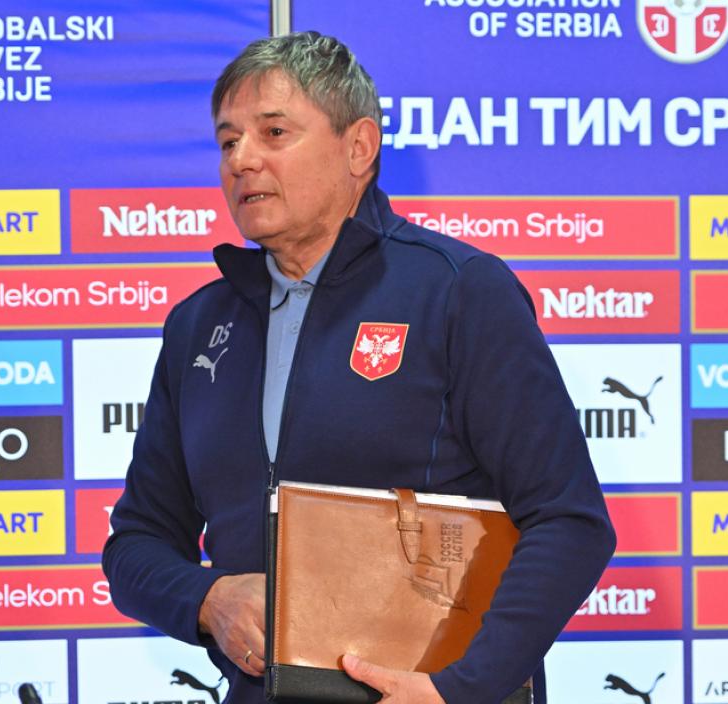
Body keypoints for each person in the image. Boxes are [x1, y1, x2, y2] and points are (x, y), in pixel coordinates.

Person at [103, 31, 615, 704]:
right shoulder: (198, 325)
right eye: (228, 142)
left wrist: (459, 690)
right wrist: (208, 598)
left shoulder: (459, 291)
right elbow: (136, 544)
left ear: (358, 148)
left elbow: (569, 521)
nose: (242, 160)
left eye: (274, 132)